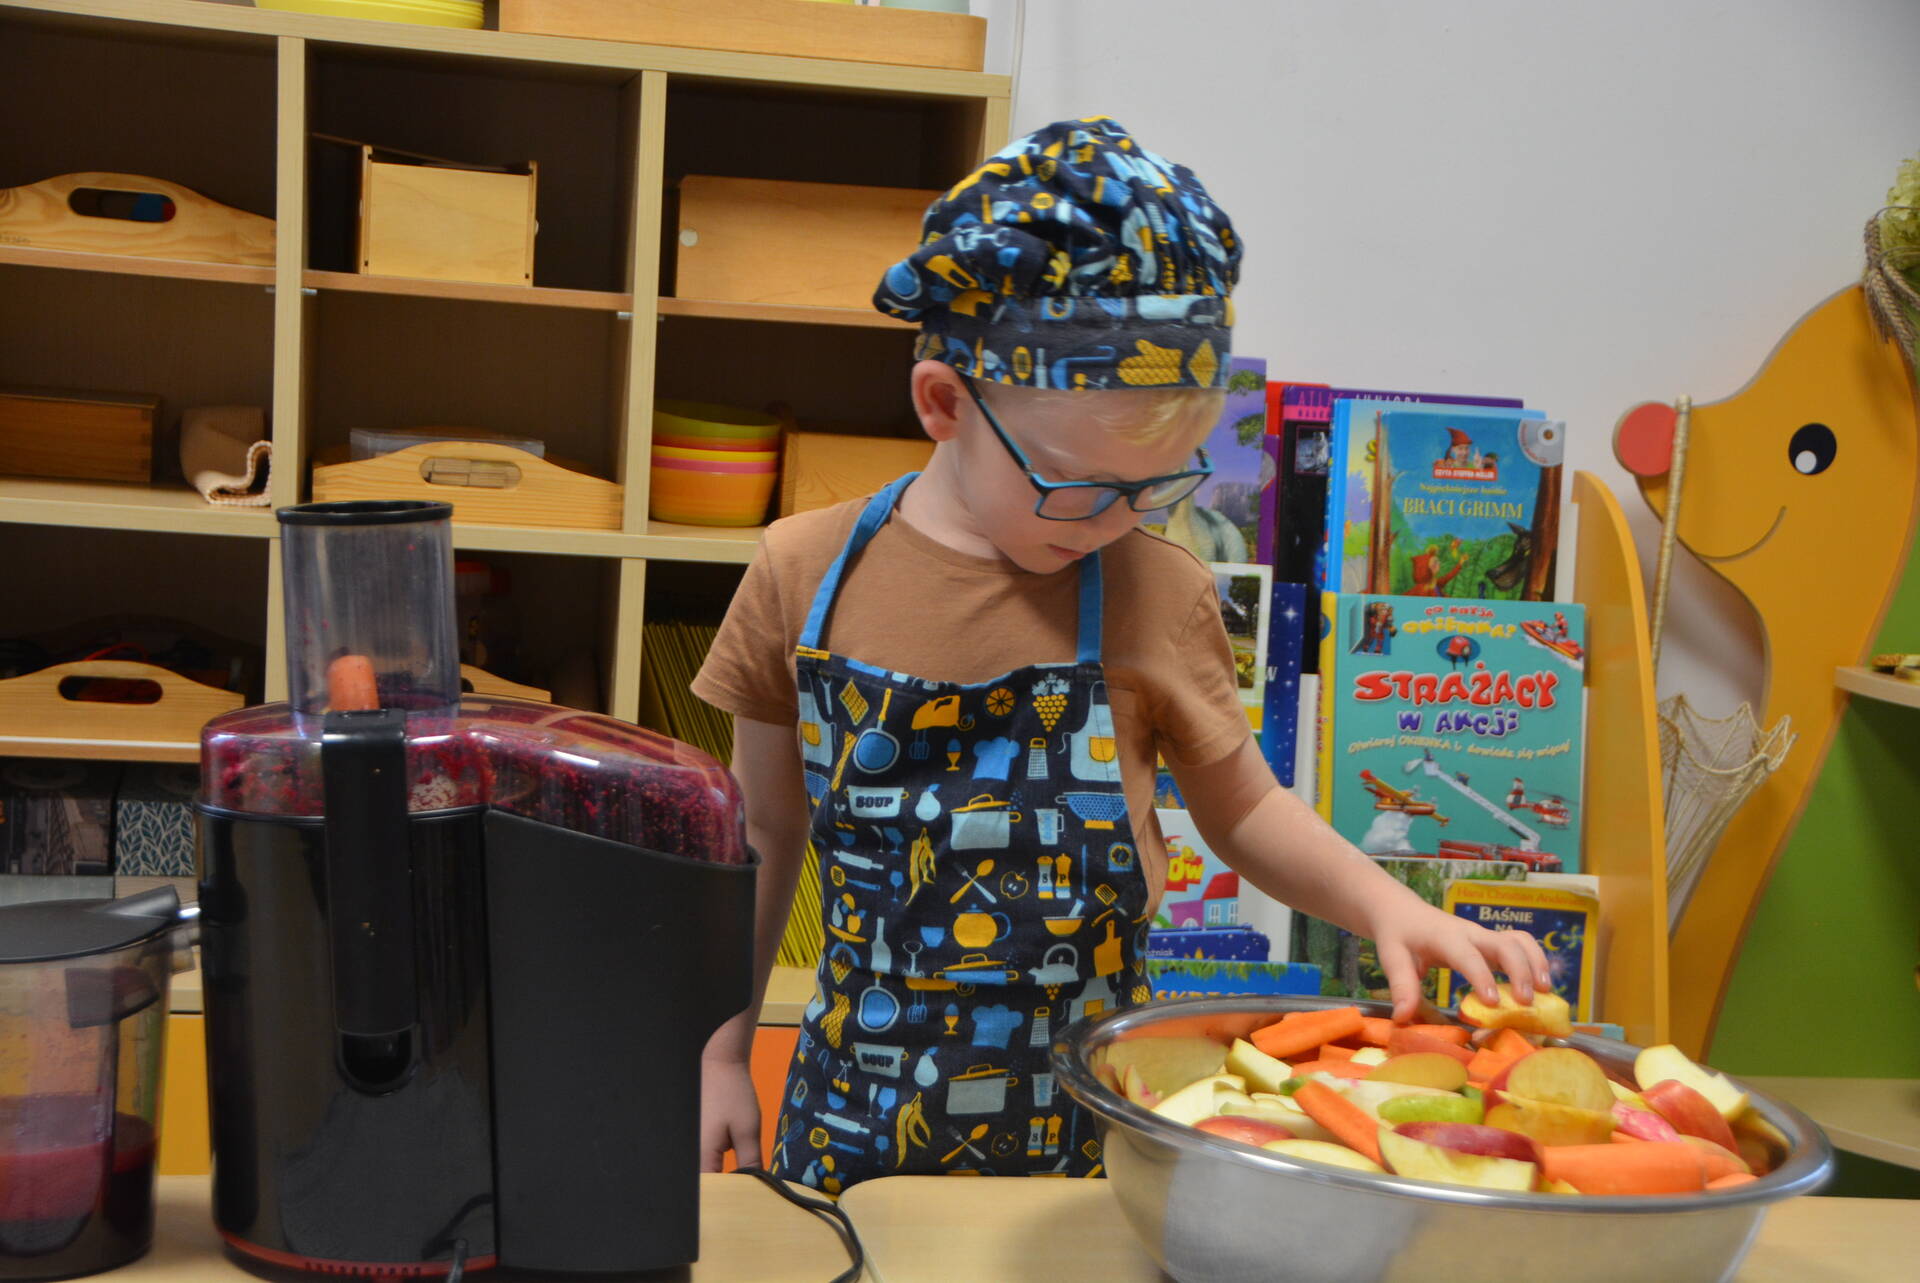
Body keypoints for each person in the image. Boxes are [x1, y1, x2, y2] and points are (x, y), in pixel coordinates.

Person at [691, 116, 1550, 1191]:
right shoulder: (803, 574)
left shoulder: (1158, 590)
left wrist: (1391, 906)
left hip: (1090, 1138)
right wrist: (718, 1049)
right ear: (945, 403)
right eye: (1081, 486)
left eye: (1155, 486)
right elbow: (761, 833)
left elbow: (1245, 810)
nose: (1116, 520)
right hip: (854, 1128)